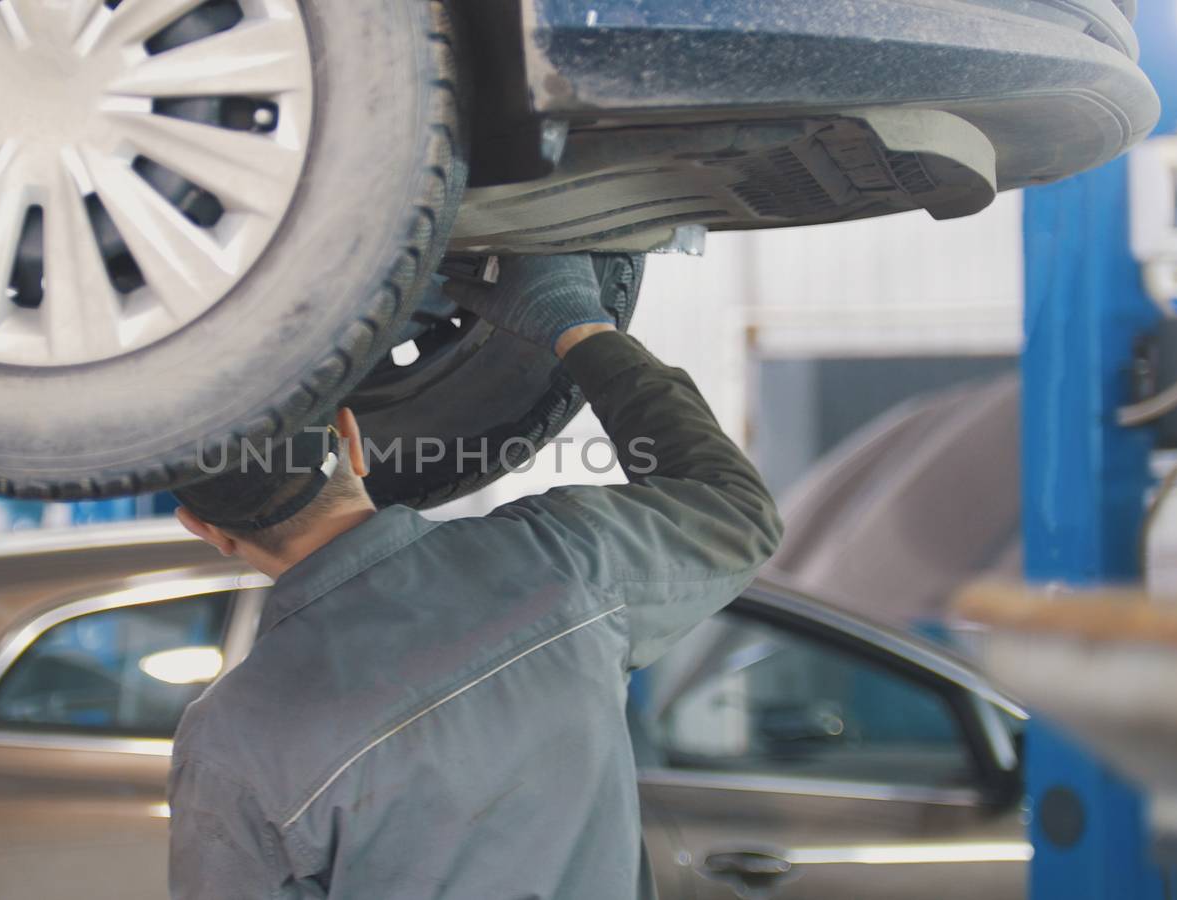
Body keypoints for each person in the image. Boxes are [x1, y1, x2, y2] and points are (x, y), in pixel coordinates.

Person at [168, 256, 783, 900]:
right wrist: (576, 325)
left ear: (202, 528)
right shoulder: (558, 563)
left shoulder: (230, 739)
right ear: (351, 438)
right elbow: (733, 508)